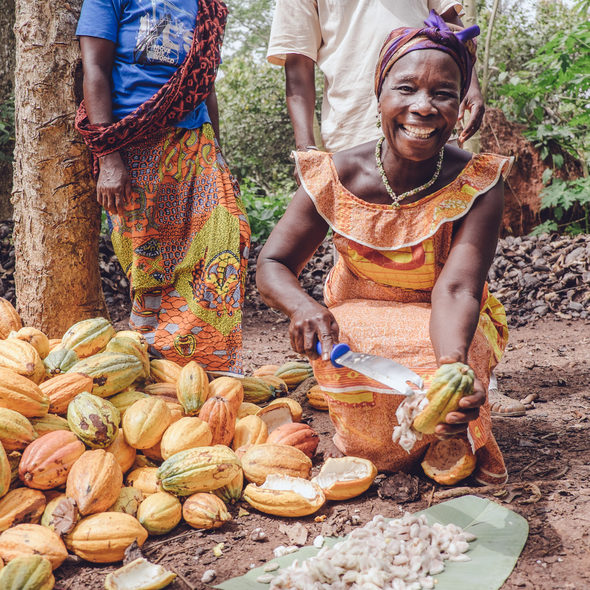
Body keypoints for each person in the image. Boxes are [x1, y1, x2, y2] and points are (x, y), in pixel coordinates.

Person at [257, 13, 511, 485]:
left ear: (460, 106)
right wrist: (301, 306)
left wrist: (451, 369)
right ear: (379, 95)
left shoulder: (477, 181)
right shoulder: (336, 174)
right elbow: (272, 263)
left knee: (458, 363)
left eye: (443, 93)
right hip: (359, 313)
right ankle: (380, 445)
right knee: (343, 340)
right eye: (407, 88)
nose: (424, 107)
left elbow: (456, 290)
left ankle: (450, 436)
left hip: (442, 318)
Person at [75, 0, 250, 375]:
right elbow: (95, 68)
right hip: (132, 137)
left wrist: (217, 153)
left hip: (194, 138)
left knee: (228, 234)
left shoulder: (207, 6)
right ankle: (152, 361)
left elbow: (206, 85)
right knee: (149, 258)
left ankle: (210, 362)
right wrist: (108, 156)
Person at [267, 0, 484, 153]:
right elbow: (298, 69)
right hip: (354, 131)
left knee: (446, 209)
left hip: (431, 121)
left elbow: (451, 29)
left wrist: (471, 86)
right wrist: (306, 149)